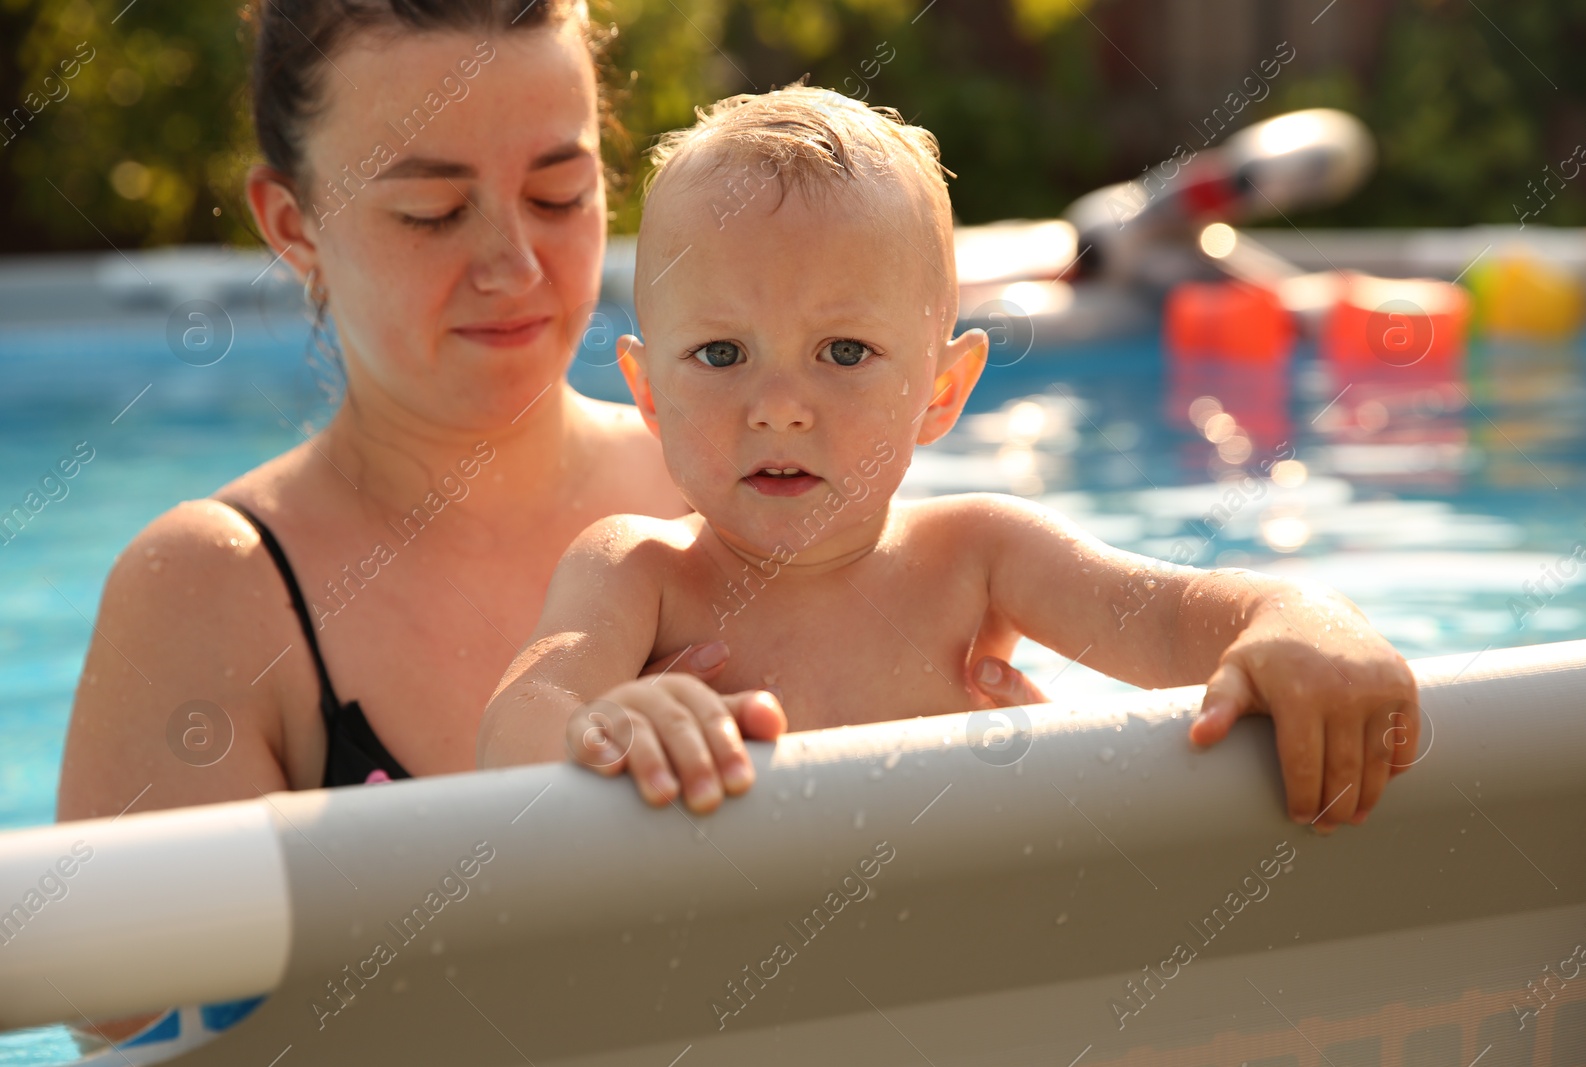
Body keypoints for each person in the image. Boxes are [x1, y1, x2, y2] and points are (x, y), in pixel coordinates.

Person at [53, 2, 1037, 1051]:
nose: (514, 265)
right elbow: (148, 1033)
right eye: (432, 211)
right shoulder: (213, 593)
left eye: (559, 193)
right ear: (294, 225)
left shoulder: (772, 488)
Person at [478, 87, 1421, 832]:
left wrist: (1300, 616)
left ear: (942, 391)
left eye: (845, 353)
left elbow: (1172, 624)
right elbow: (523, 714)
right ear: (647, 392)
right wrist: (598, 729)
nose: (778, 408)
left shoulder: (979, 556)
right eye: (720, 354)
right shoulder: (639, 572)